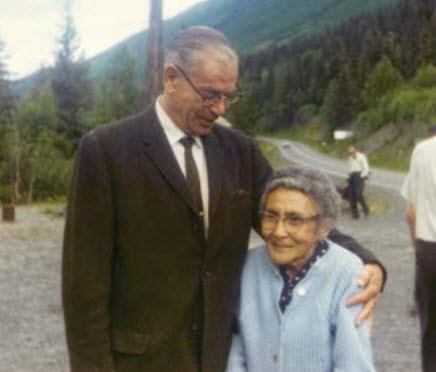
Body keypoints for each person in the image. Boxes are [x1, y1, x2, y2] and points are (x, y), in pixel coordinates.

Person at [62, 26, 384, 372]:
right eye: (210, 94)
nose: (219, 108)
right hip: (141, 361)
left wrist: (367, 262)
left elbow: (295, 215)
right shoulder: (107, 150)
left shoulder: (240, 151)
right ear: (172, 78)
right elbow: (84, 286)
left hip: (220, 358)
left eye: (229, 97)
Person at [226, 166, 376, 371]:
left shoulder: (347, 273)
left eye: (295, 220)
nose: (278, 232)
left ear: (324, 227)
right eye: (270, 216)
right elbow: (236, 353)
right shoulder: (248, 266)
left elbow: (353, 365)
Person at [401, 125, 436, 372]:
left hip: (429, 249)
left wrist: (416, 246)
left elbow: (410, 212)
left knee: (430, 325)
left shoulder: (422, 151)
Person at [347, 146, 370, 219]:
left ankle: (365, 209)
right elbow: (349, 167)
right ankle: (355, 214)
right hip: (352, 176)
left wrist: (362, 176)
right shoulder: (350, 158)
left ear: (355, 152)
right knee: (352, 195)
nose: (351, 155)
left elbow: (366, 168)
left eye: (352, 153)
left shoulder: (361, 157)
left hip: (359, 176)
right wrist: (349, 175)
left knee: (358, 194)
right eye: (350, 153)